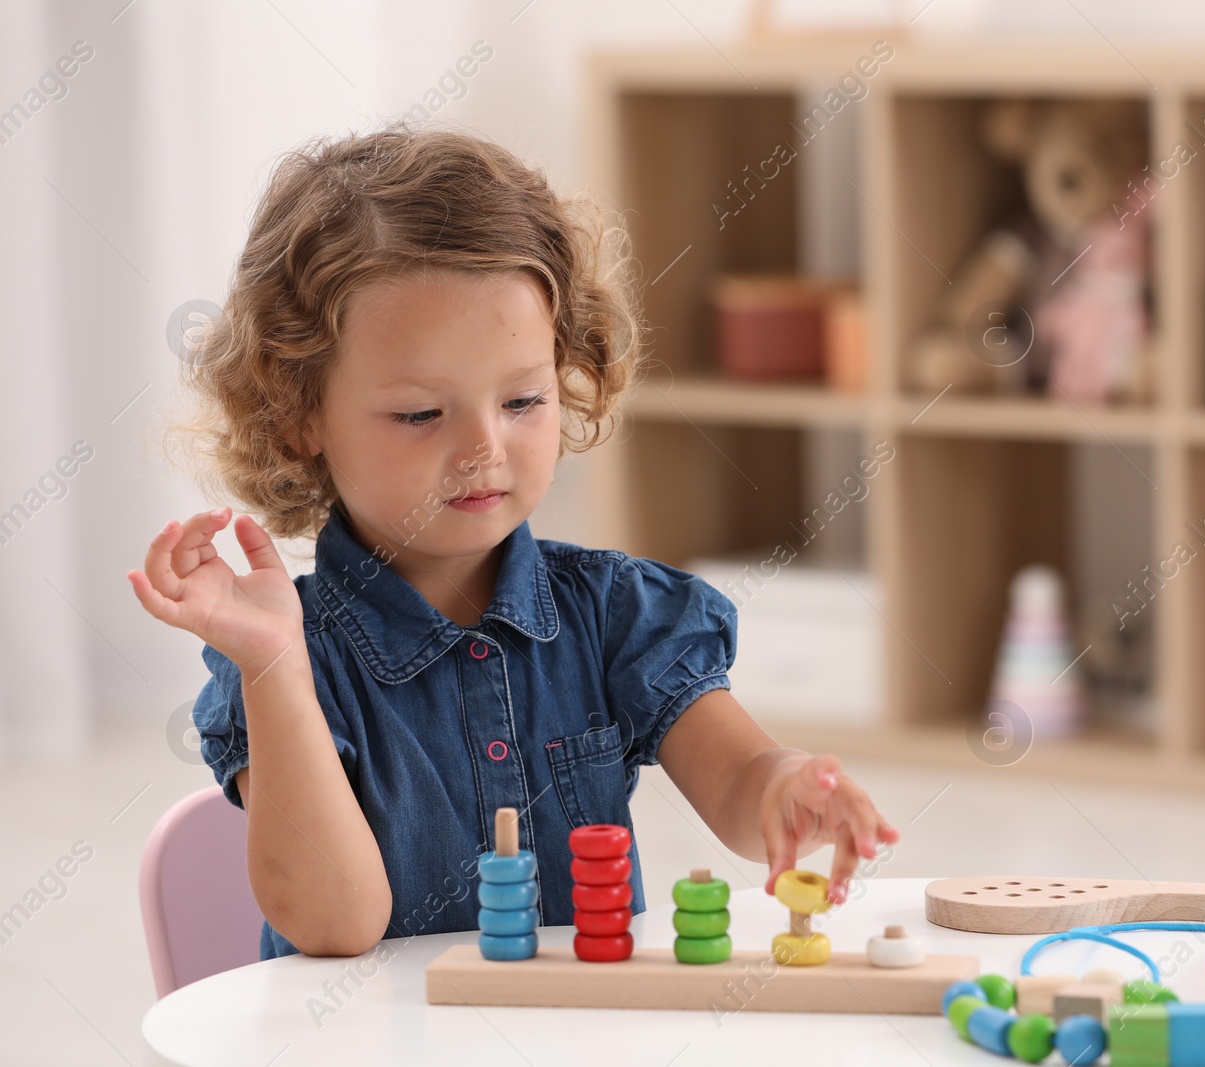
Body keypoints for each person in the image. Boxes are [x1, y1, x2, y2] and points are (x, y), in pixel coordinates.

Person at [127, 124, 899, 960]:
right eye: (422, 413)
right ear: (298, 415)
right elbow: (334, 923)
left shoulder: (618, 612)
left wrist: (786, 787)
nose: (484, 448)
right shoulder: (281, 657)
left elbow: (742, 782)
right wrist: (275, 660)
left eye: (524, 400)